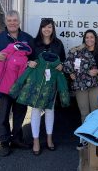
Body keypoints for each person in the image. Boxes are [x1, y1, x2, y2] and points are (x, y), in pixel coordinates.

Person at [0, 10, 33, 157]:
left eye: (15, 20)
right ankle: (4, 142)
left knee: (20, 113)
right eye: (9, 20)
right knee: (3, 114)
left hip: (21, 85)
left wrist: (32, 62)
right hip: (4, 86)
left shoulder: (27, 39)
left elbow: (35, 57)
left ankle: (17, 139)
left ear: (19, 22)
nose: (12, 23)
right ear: (5, 22)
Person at [25, 18, 66, 155]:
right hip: (37, 81)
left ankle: (49, 138)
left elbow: (63, 60)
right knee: (36, 110)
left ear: (53, 29)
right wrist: (29, 62)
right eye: (44, 27)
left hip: (51, 82)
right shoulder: (34, 43)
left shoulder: (58, 43)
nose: (46, 29)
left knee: (50, 110)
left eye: (49, 27)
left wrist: (62, 66)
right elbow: (27, 58)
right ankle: (36, 140)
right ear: (40, 28)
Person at [63, 29, 98, 150]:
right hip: (80, 86)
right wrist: (70, 74)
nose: (89, 39)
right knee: (84, 112)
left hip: (96, 85)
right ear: (84, 39)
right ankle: (85, 139)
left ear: (95, 39)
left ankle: (97, 136)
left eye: (92, 37)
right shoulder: (77, 52)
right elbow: (68, 66)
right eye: (87, 37)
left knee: (95, 110)